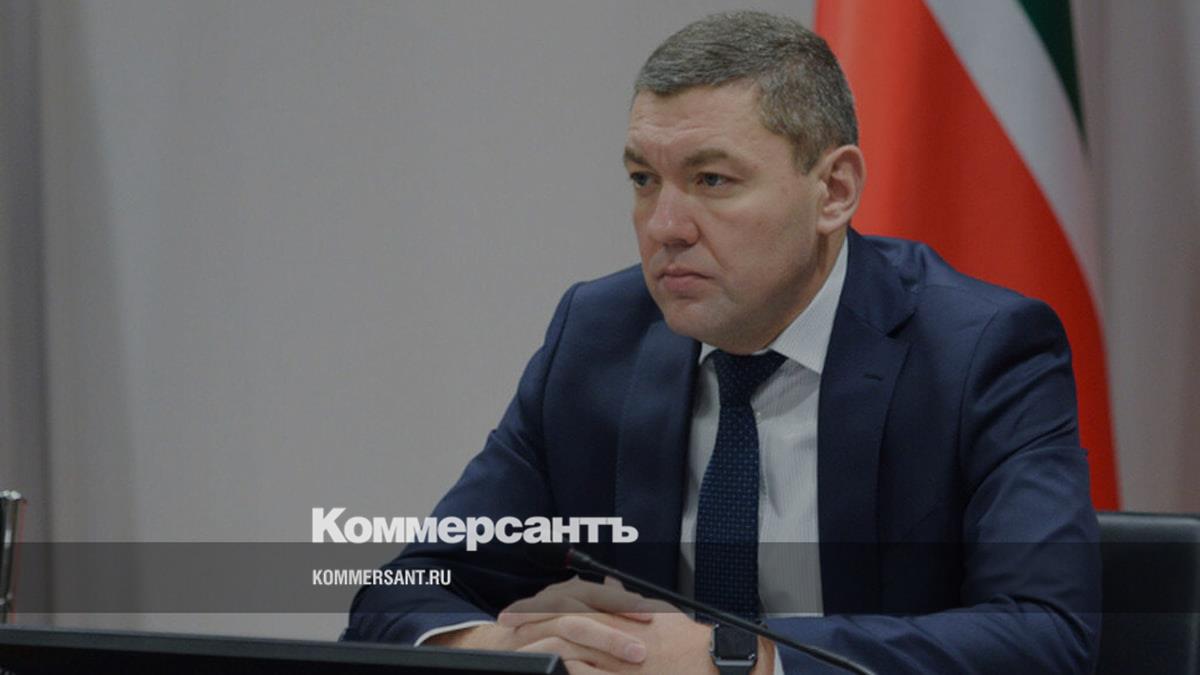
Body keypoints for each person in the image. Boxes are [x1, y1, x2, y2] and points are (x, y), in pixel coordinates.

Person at [345, 11, 1100, 674]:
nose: (664, 226)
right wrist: (513, 651)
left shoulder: (981, 352)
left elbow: (1046, 634)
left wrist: (741, 661)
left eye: (711, 180)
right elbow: (406, 588)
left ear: (834, 191)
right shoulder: (597, 337)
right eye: (644, 179)